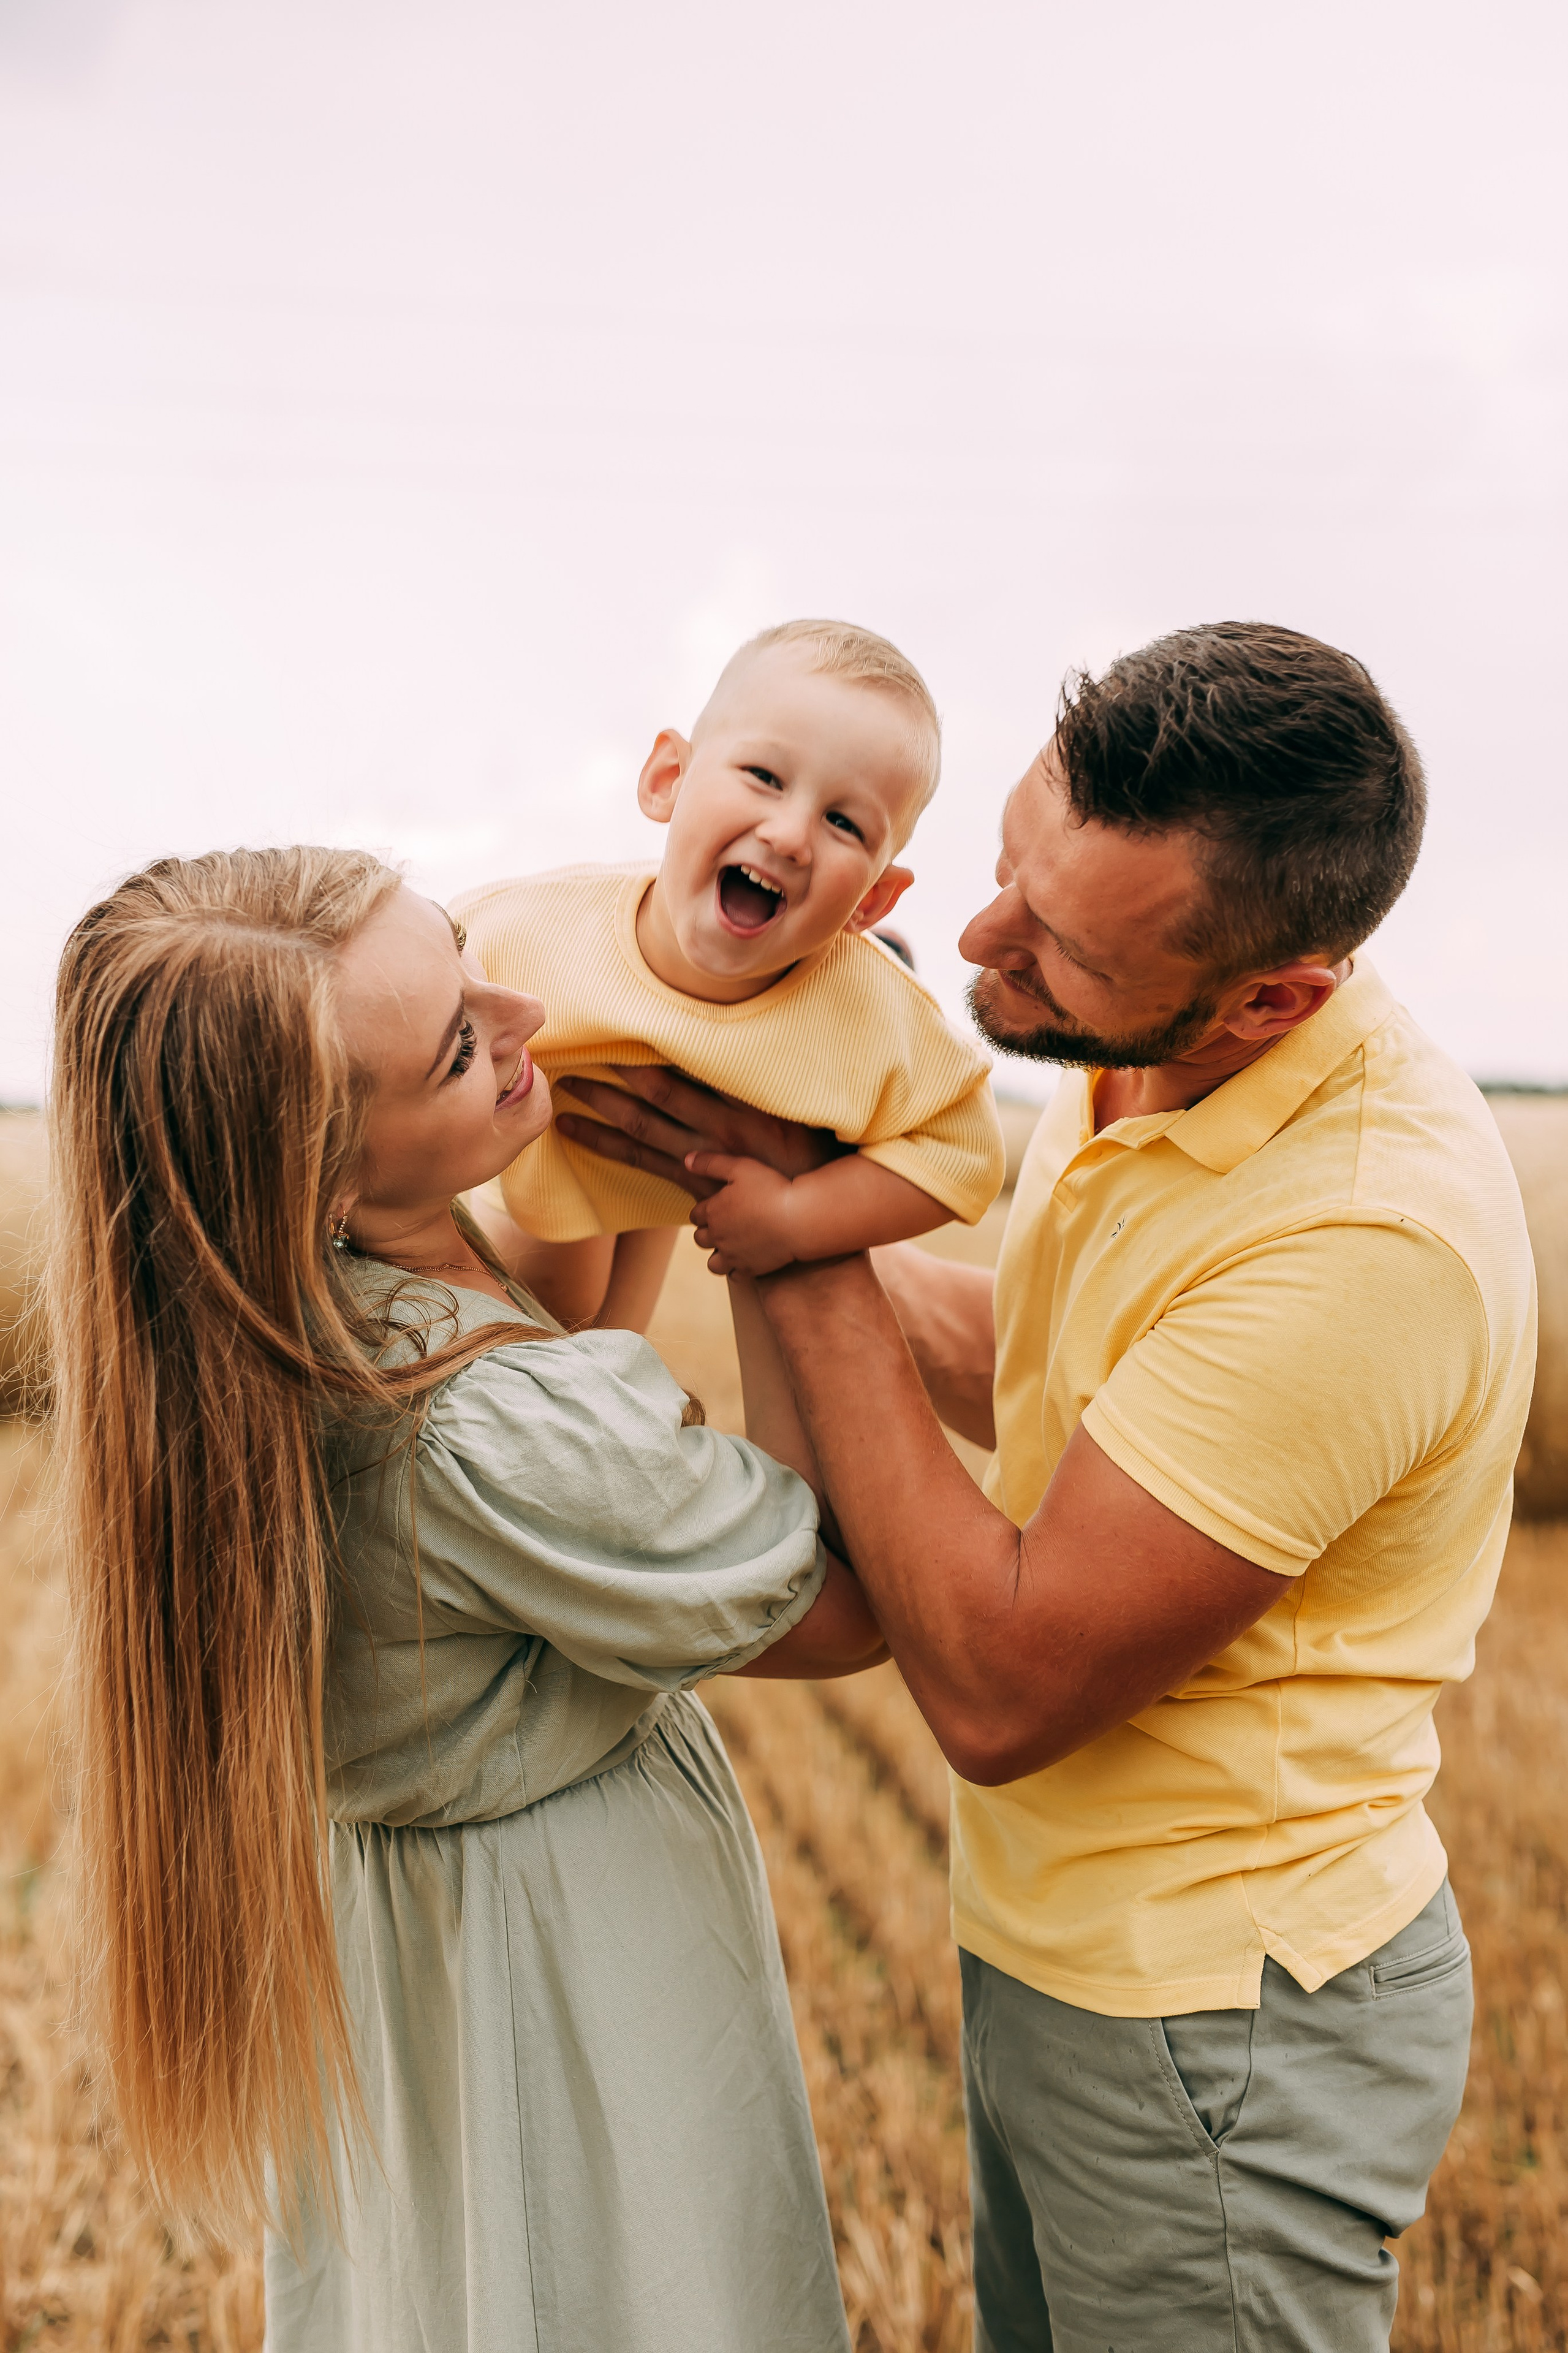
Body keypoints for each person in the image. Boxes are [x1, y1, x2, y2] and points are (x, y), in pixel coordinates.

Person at [557, 622, 1538, 2353]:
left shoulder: (1361, 1238)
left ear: (1271, 998)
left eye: (1061, 947)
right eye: (1011, 862)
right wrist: (752, 1166)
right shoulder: (1149, 1043)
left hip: (1214, 2022)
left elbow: (1000, 1683)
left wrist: (797, 1236)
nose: (977, 938)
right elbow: (1060, 1358)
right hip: (1065, 1957)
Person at [47, 845, 885, 2353]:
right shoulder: (474, 1433)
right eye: (454, 1045)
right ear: (320, 1178)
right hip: (566, 1967)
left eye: (464, 954)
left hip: (410, 1953)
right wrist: (782, 1218)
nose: (523, 1013)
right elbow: (834, 1596)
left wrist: (657, 1078)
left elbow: (574, 1339)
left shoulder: (272, 1328)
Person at [454, 618, 1004, 1334]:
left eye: (844, 823)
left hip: (672, 1179)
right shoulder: (523, 932)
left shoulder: (866, 1009)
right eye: (765, 777)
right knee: (550, 1306)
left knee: (615, 1358)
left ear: (871, 898)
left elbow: (968, 1153)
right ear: (669, 781)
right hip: (543, 1163)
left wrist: (798, 1218)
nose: (790, 835)